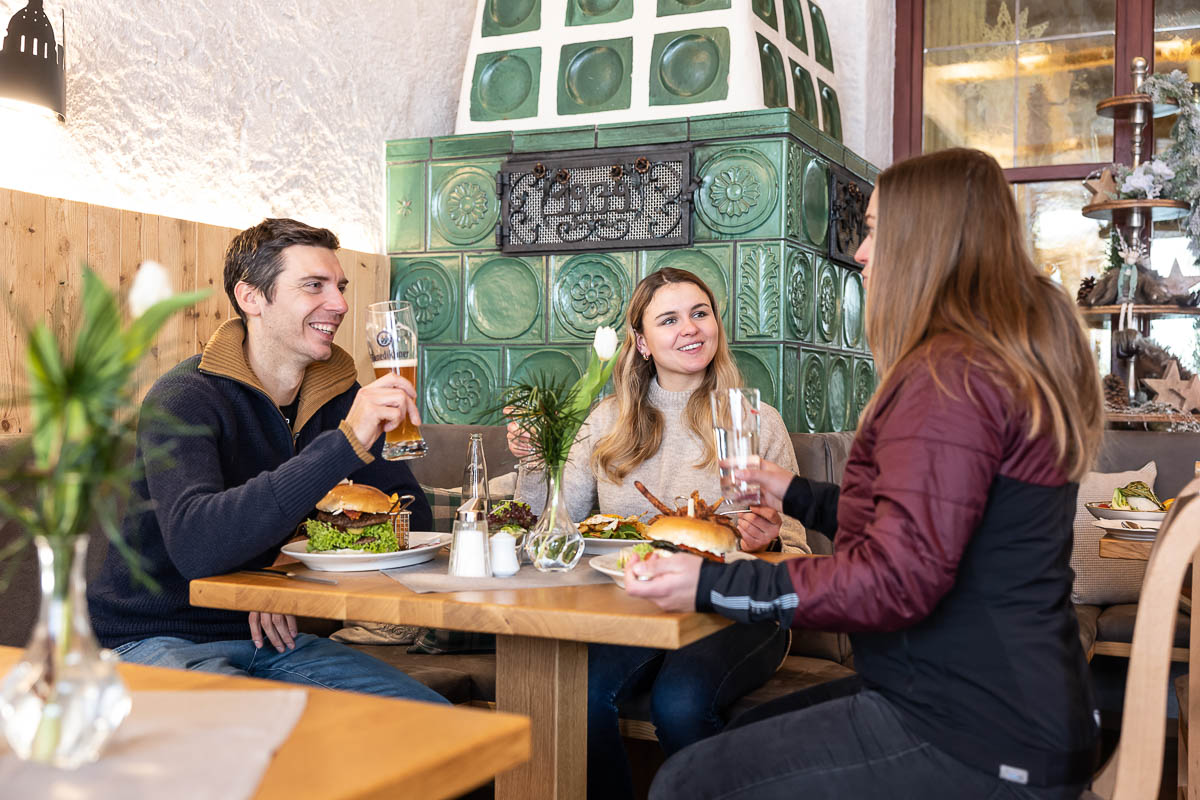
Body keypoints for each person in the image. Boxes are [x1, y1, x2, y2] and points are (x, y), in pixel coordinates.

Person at [627, 149, 1105, 799]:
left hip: (980, 731)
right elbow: (919, 518)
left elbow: (897, 580)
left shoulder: (949, 379)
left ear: (921, 243)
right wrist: (792, 491)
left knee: (688, 782)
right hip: (988, 704)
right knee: (717, 745)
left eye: (876, 229)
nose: (860, 253)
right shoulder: (983, 362)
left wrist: (711, 581)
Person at [88, 218, 446, 704]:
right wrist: (344, 444)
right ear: (252, 298)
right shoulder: (184, 397)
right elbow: (198, 546)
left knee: (433, 722)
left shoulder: (341, 396)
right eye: (313, 286)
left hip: (280, 639)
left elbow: (410, 519)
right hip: (156, 636)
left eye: (339, 287)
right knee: (251, 742)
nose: (339, 304)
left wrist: (277, 573)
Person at [508, 268, 808, 799]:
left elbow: (797, 547)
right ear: (642, 343)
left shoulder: (756, 421)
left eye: (700, 313)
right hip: (635, 606)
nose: (690, 329)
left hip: (737, 608)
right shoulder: (605, 422)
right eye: (669, 320)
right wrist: (539, 458)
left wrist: (769, 540)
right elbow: (553, 527)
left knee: (681, 702)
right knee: (576, 694)